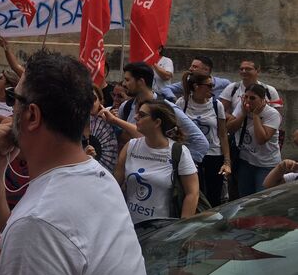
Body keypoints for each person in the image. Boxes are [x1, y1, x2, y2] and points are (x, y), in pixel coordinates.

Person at [0, 50, 145, 275]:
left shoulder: (37, 224)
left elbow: (23, 238)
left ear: (32, 116)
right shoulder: (98, 176)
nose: (11, 108)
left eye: (14, 99)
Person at [115, 101, 199, 228]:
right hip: (130, 227)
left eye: (142, 115)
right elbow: (115, 185)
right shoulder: (131, 146)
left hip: (162, 231)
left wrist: (181, 229)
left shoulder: (178, 152)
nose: (136, 117)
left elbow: (192, 193)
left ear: (157, 122)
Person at [106, 62, 209, 163]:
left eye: (127, 80)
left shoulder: (167, 109)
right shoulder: (126, 107)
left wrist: (182, 167)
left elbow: (200, 142)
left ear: (141, 82)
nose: (124, 84)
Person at [176, 72, 231, 206]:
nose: (212, 88)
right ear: (196, 86)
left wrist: (227, 161)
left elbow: (222, 134)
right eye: (209, 85)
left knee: (214, 194)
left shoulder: (216, 105)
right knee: (193, 193)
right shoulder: (182, 103)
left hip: (213, 154)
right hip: (190, 154)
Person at [226, 83, 281, 197]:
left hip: (266, 164)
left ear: (262, 100)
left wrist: (255, 115)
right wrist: (243, 114)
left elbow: (262, 139)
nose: (247, 101)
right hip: (245, 161)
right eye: (245, 97)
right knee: (244, 198)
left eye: (252, 98)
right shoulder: (241, 108)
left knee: (261, 199)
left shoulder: (272, 114)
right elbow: (230, 128)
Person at [161, 55, 231, 102]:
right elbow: (165, 89)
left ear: (206, 70)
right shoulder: (187, 83)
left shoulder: (225, 84)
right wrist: (173, 99)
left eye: (195, 67)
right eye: (191, 66)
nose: (190, 69)